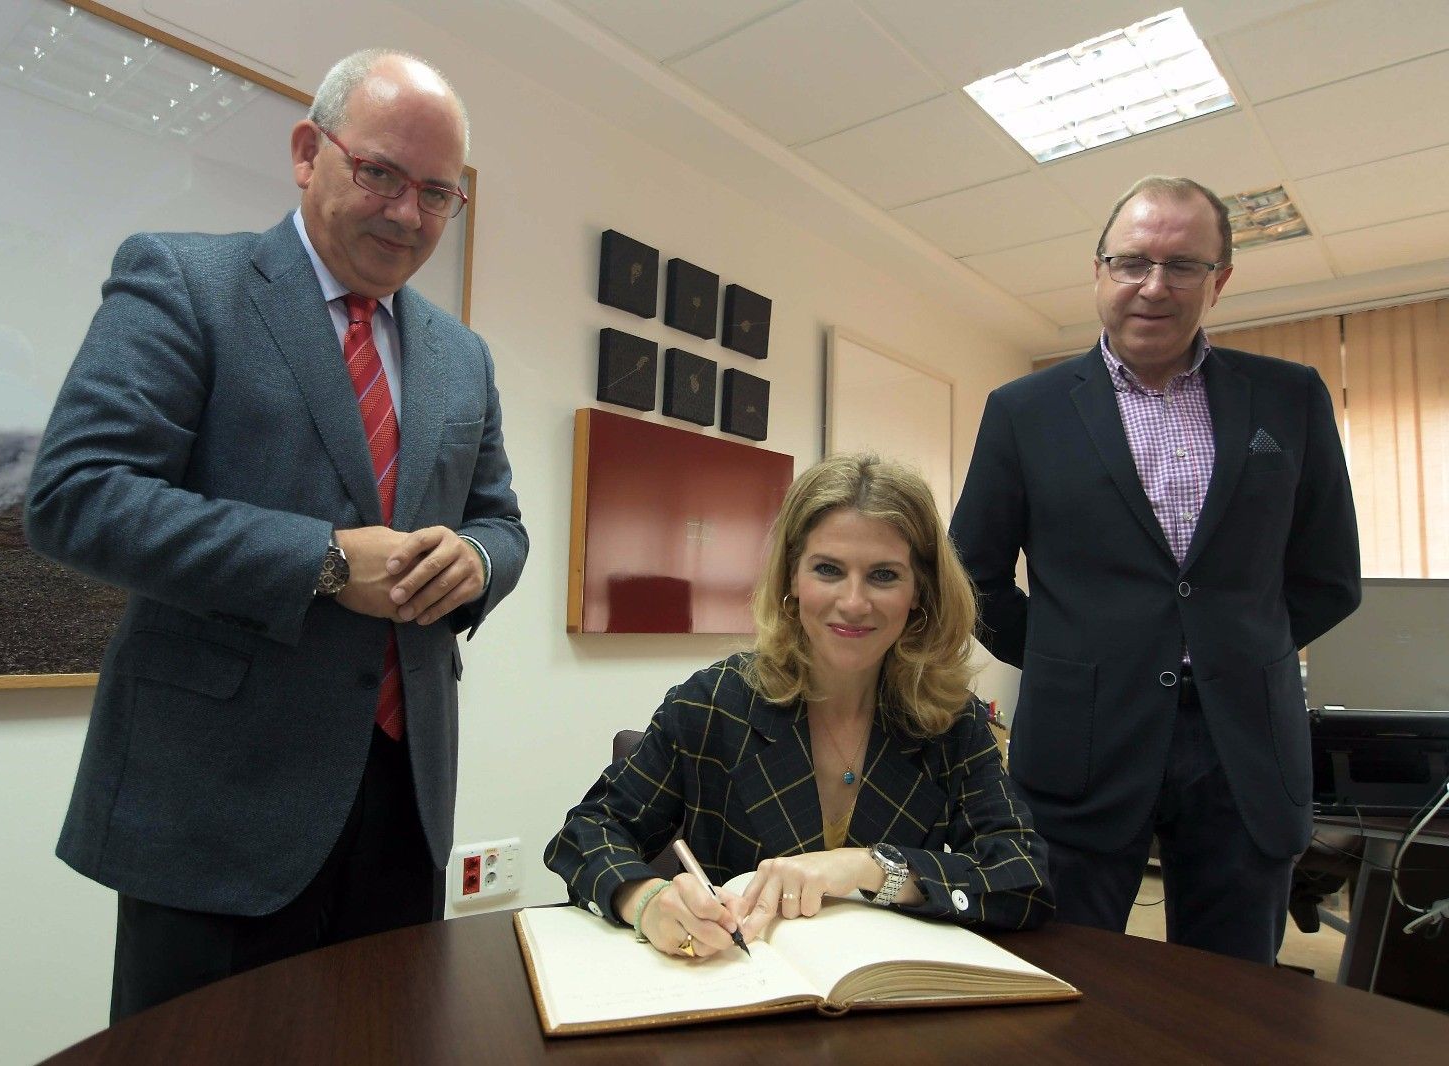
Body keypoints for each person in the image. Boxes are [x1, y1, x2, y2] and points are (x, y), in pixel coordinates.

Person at [24, 50, 527, 1019]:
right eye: (380, 174)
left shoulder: (463, 356)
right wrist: (327, 561)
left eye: (436, 193)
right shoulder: (184, 280)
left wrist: (476, 561)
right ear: (308, 152)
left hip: (404, 801)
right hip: (218, 805)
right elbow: (78, 495)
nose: (406, 214)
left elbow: (499, 521)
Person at [950, 175, 1360, 965]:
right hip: (1084, 737)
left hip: (1244, 741)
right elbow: (970, 578)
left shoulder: (1291, 398)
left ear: (1220, 280)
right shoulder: (1023, 410)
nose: (1153, 285)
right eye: (1133, 261)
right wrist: (1075, 662)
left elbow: (1330, 574)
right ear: (1100, 269)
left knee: (1234, 1001)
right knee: (1069, 982)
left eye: (1182, 266)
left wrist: (1233, 644)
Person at [545, 454, 1052, 958]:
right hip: (734, 985)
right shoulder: (714, 703)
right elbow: (586, 833)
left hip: (884, 998)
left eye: (883, 575)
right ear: (791, 577)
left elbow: (1022, 877)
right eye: (828, 569)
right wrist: (646, 899)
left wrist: (874, 867)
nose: (854, 602)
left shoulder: (950, 720)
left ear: (919, 591)